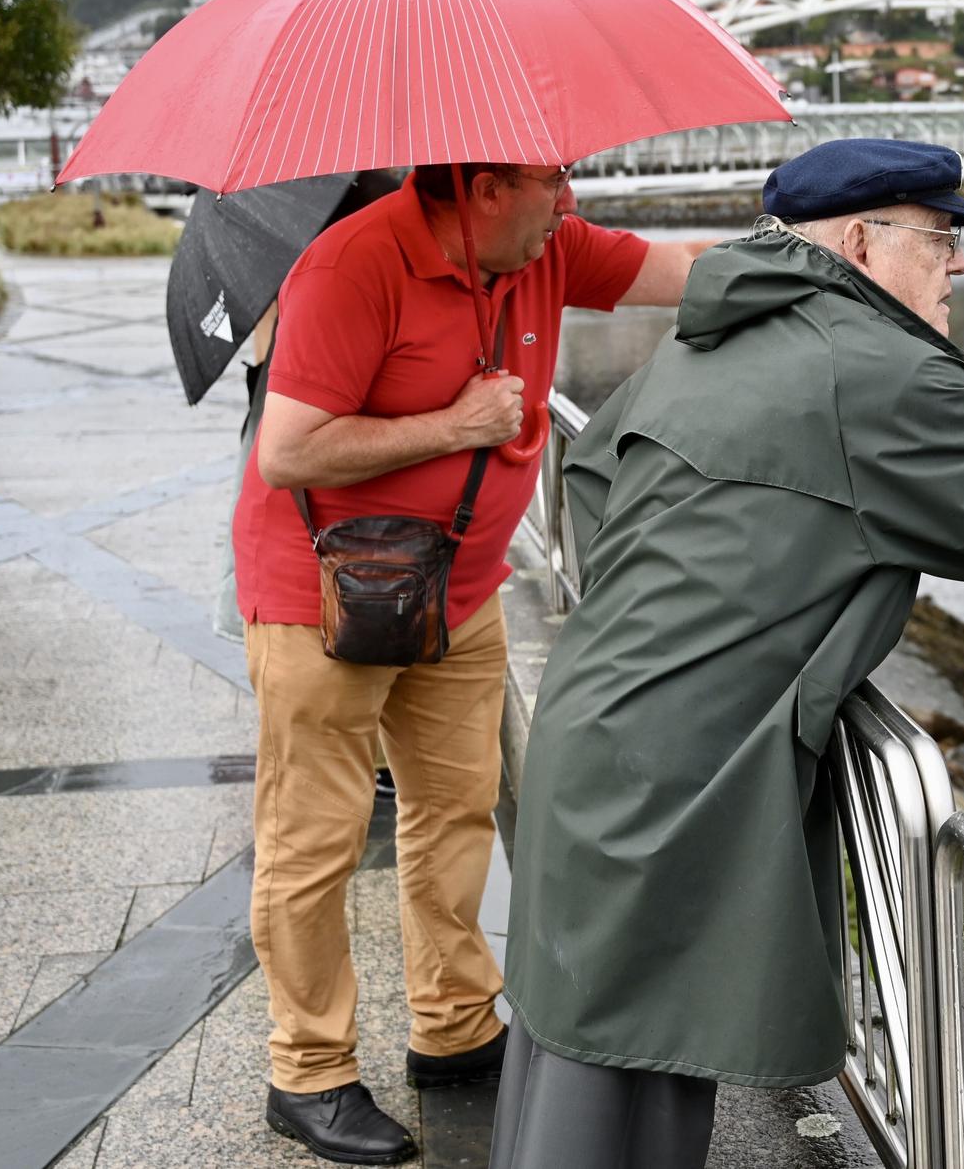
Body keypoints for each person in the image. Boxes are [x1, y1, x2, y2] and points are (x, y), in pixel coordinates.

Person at [493, 138, 964, 1167]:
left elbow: (591, 481)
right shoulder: (864, 366)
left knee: (588, 1055)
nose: (958, 263)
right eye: (940, 236)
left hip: (602, 730)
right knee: (614, 1094)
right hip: (677, 775)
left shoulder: (720, 339)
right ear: (862, 241)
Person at [231, 160, 714, 1166]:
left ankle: (453, 1027)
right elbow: (286, 450)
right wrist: (455, 425)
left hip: (460, 586)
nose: (571, 204)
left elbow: (686, 270)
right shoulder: (351, 266)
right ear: (484, 184)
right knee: (312, 838)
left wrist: (845, 256)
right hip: (326, 594)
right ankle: (307, 1071)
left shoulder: (545, 247)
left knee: (457, 806)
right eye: (553, 181)